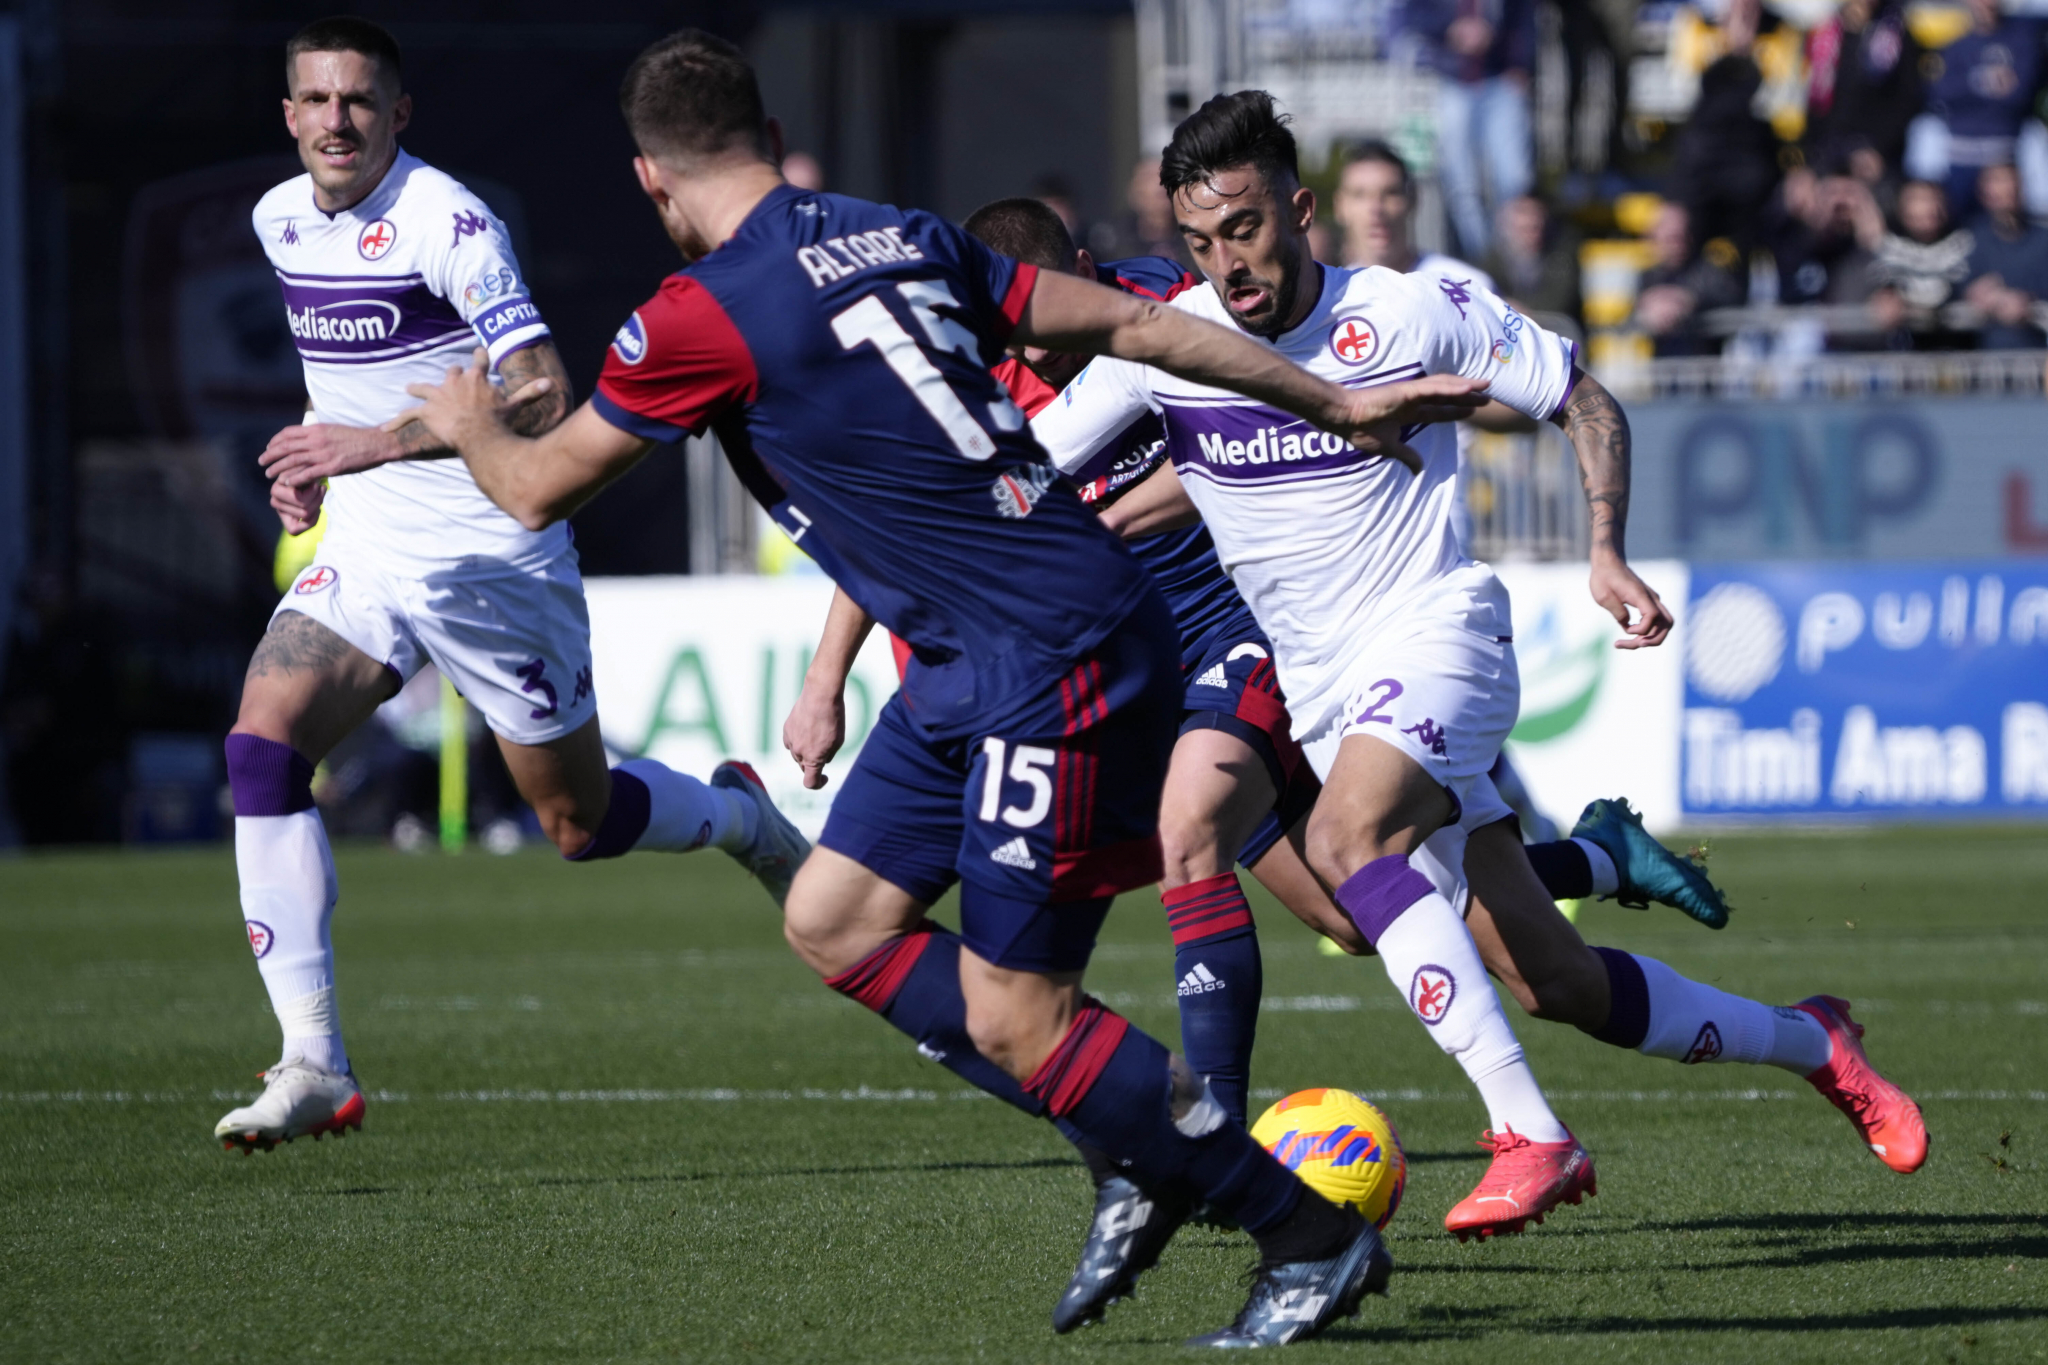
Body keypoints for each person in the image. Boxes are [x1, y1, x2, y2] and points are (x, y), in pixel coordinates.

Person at [397, 30, 1495, 1347]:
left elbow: (529, 486)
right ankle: (1130, 1138)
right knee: (833, 918)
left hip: (1048, 656)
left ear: (651, 180)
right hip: (973, 657)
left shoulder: (693, 316)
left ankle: (1303, 1231)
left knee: (1011, 1011)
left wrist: (464, 421)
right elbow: (1146, 324)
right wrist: (1334, 397)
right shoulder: (898, 231)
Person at [1031, 92, 1929, 1230]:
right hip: (1326, 696)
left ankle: (1531, 1137)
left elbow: (1579, 397)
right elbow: (1019, 475)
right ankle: (1816, 1045)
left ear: (1298, 211)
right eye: (1202, 244)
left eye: (1246, 229)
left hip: (1438, 635)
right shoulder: (1169, 349)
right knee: (1553, 983)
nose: (1228, 265)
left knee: (1348, 839)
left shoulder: (1413, 308)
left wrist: (1605, 548)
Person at [213, 18, 810, 1157]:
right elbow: (337, 380)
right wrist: (311, 460)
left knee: (576, 825)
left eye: (359, 101)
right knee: (262, 747)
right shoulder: (278, 217)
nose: (337, 121)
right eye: (316, 101)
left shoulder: (447, 222)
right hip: (372, 553)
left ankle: (736, 814)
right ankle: (312, 1061)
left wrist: (369, 448)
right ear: (288, 115)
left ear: (399, 113)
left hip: (493, 555)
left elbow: (540, 392)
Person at [1391, 0, 1536, 257]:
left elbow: (1524, 15)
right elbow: (1411, 16)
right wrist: (1452, 28)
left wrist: (1520, 64)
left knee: (1514, 182)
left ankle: (1517, 264)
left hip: (1501, 79)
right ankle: (1483, 261)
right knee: (1463, 187)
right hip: (1450, 81)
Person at [1634, 202, 1745, 356]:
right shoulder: (1647, 276)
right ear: (1655, 237)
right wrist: (1646, 305)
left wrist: (1689, 300)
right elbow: (1626, 314)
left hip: (1705, 367)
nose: (1676, 245)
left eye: (1680, 237)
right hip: (1663, 367)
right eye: (1670, 238)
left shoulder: (1709, 269)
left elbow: (1733, 298)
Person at [1963, 163, 2048, 347]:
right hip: (1984, 358)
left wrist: (2027, 300)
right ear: (1984, 194)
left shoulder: (2043, 239)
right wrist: (1974, 292)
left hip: (2035, 354)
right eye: (1997, 185)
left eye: (2011, 186)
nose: (2006, 191)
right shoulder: (1972, 239)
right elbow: (1957, 283)